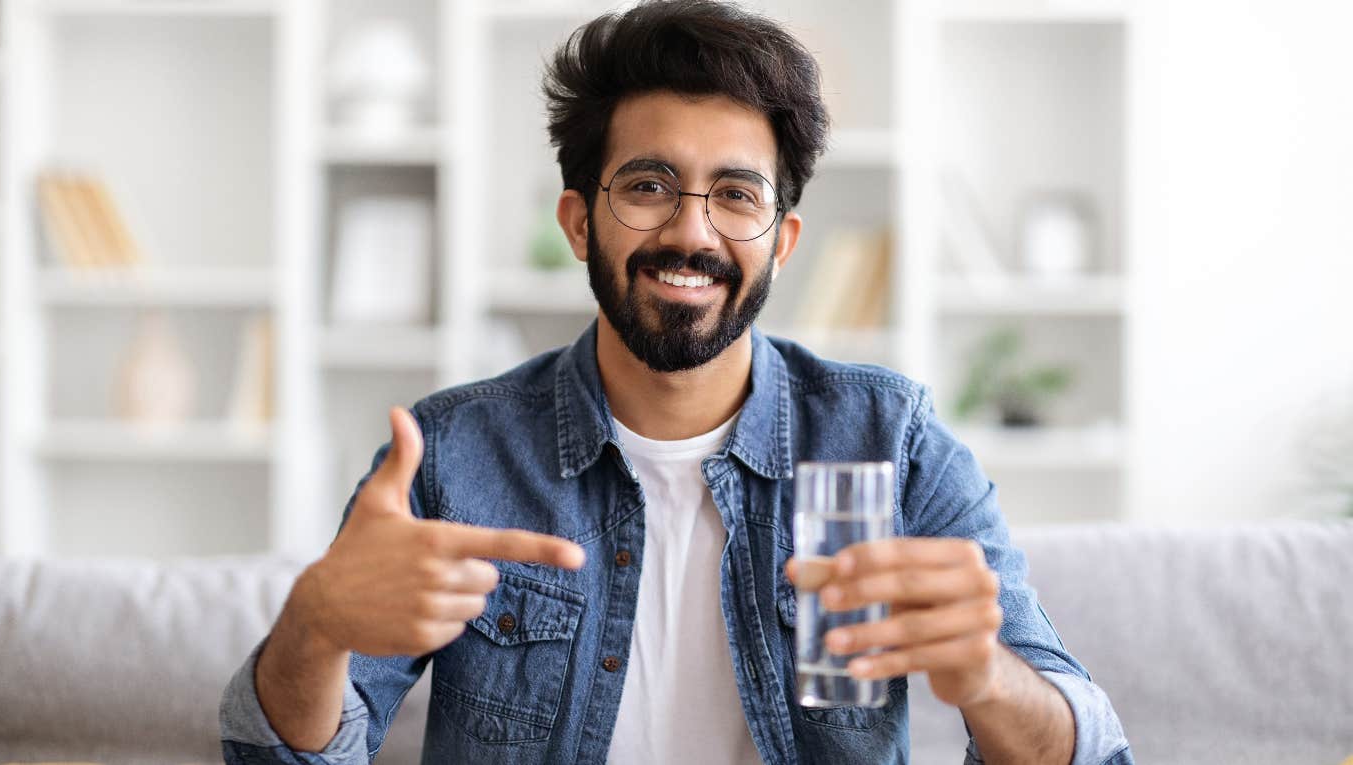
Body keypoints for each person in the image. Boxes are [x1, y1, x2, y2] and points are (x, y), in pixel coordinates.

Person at [220, 1, 1132, 763]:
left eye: (736, 195)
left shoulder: (889, 441)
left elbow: (1092, 747)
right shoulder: (452, 456)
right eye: (649, 186)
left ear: (784, 240)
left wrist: (983, 676)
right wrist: (314, 624)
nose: (692, 234)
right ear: (579, 222)